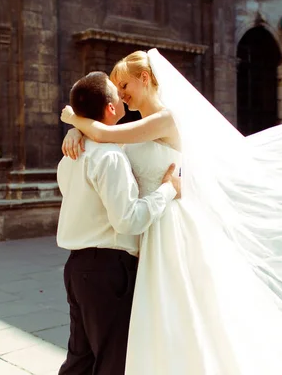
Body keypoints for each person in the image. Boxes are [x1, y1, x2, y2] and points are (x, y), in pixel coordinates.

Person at [60, 49, 282, 374]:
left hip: (172, 227)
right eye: (117, 89)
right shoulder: (129, 130)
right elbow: (104, 136)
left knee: (186, 315)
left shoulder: (166, 119)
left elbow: (103, 132)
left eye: (125, 85)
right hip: (151, 227)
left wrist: (74, 118)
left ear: (146, 78)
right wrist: (78, 130)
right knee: (158, 321)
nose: (121, 95)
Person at [56, 71, 181, 375]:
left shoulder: (69, 158)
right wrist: (168, 190)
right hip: (107, 269)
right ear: (110, 109)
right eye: (118, 89)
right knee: (112, 362)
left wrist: (76, 128)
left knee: (80, 361)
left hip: (76, 268)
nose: (123, 94)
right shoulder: (110, 156)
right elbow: (127, 221)